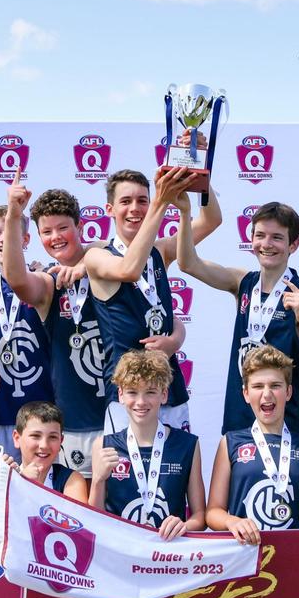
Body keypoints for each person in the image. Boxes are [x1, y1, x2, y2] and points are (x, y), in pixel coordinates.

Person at [174, 195, 299, 434]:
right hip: (239, 421)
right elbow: (188, 263)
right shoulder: (242, 282)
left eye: (277, 237)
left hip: (285, 427)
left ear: (293, 245)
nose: (266, 244)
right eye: (260, 235)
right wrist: (186, 213)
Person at [83, 167, 210, 430]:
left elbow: (211, 221)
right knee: (127, 471)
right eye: (126, 201)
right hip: (126, 394)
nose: (135, 208)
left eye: (142, 200)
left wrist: (199, 174)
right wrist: (160, 204)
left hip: (168, 388)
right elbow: (128, 270)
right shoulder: (97, 256)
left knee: (178, 469)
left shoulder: (160, 250)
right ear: (109, 209)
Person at [0, 183, 109, 475]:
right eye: (46, 232)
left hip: (121, 416)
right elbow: (16, 279)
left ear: (80, 226)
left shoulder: (112, 265)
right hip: (74, 423)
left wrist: (89, 262)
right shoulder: (49, 284)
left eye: (63, 228)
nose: (56, 237)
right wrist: (13, 214)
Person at [206, 345, 299, 542]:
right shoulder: (230, 442)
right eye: (258, 386)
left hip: (294, 553)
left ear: (288, 392)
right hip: (245, 556)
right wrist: (231, 522)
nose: (266, 394)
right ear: (245, 394)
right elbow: (213, 512)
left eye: (275, 386)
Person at [89, 350, 204, 539]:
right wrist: (98, 480)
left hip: (167, 557)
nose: (141, 402)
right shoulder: (103, 445)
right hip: (121, 553)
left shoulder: (188, 444)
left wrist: (184, 526)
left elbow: (200, 517)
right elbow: (94, 519)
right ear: (121, 395)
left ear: (164, 395)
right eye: (132, 392)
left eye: (150, 392)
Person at [0, 205, 55, 463]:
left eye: (10, 231)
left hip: (42, 407)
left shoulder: (44, 277)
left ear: (25, 238)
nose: (3, 238)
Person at [10, 401, 89, 501]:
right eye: (35, 436)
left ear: (61, 440)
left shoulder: (71, 480)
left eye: (52, 437)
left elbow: (78, 516)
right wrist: (20, 484)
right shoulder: (6, 479)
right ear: (17, 438)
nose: (44, 445)